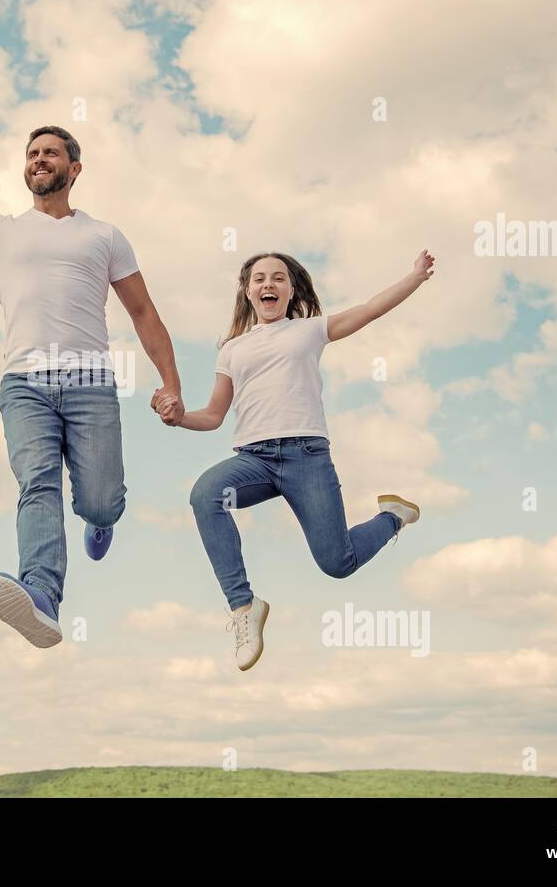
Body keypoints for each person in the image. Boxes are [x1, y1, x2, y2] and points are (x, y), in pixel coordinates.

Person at [0, 101, 184, 648]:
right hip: (24, 383)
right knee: (38, 485)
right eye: (32, 154)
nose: (39, 160)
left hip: (89, 383)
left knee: (99, 499)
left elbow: (144, 313)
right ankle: (42, 595)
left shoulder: (104, 236)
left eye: (50, 152)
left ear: (73, 169)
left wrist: (170, 383)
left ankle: (100, 519)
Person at [156, 249, 435, 670]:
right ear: (248, 291)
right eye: (259, 279)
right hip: (255, 461)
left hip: (306, 458)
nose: (269, 284)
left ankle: (393, 517)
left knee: (337, 564)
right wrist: (178, 418)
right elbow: (213, 415)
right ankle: (243, 606)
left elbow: (370, 310)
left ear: (291, 289)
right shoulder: (232, 349)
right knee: (206, 494)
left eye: (279, 278)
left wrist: (414, 278)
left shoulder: (309, 331)